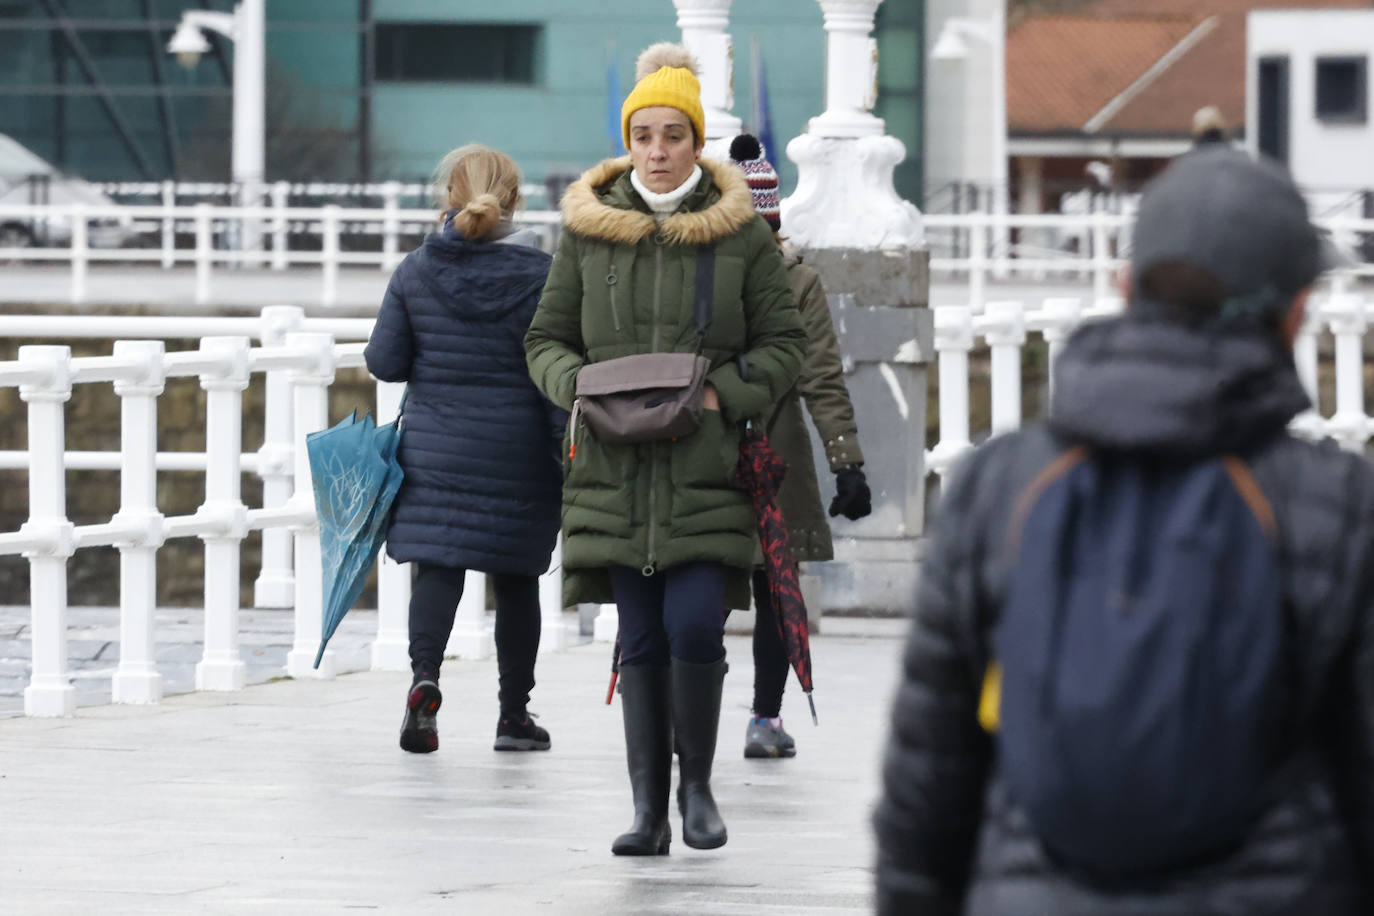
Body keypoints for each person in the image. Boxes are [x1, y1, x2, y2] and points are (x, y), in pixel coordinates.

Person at [873, 147, 1374, 914]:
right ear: (1298, 311)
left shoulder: (998, 487)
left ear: (1123, 284)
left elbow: (929, 787)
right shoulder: (1337, 504)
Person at [524, 43, 805, 856]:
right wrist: (576, 384)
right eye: (642, 135)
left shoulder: (739, 238)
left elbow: (785, 343)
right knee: (639, 639)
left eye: (672, 135)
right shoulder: (587, 234)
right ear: (627, 140)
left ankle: (698, 791)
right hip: (612, 471)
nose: (655, 151)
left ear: (695, 141)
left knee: (694, 628)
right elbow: (544, 338)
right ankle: (647, 811)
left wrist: (725, 393)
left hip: (706, 468)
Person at [365, 144, 562, 757]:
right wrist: (567, 452)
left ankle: (425, 678)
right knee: (517, 582)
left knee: (439, 566)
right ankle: (513, 716)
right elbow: (556, 372)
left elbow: (384, 362)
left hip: (437, 450)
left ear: (446, 197)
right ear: (515, 200)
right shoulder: (543, 275)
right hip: (518, 451)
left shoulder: (416, 270)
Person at [726, 134, 871, 759]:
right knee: (775, 589)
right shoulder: (798, 280)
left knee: (699, 585)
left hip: (694, 453)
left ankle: (687, 708)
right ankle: (765, 719)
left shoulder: (693, 276)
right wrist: (848, 465)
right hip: (774, 460)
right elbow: (822, 379)